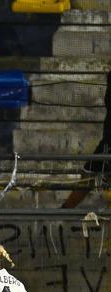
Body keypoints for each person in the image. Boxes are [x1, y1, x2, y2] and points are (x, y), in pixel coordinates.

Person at [62, 70, 111, 209]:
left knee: (88, 178)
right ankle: (63, 211)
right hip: (107, 145)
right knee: (87, 177)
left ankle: (64, 211)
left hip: (107, 145)